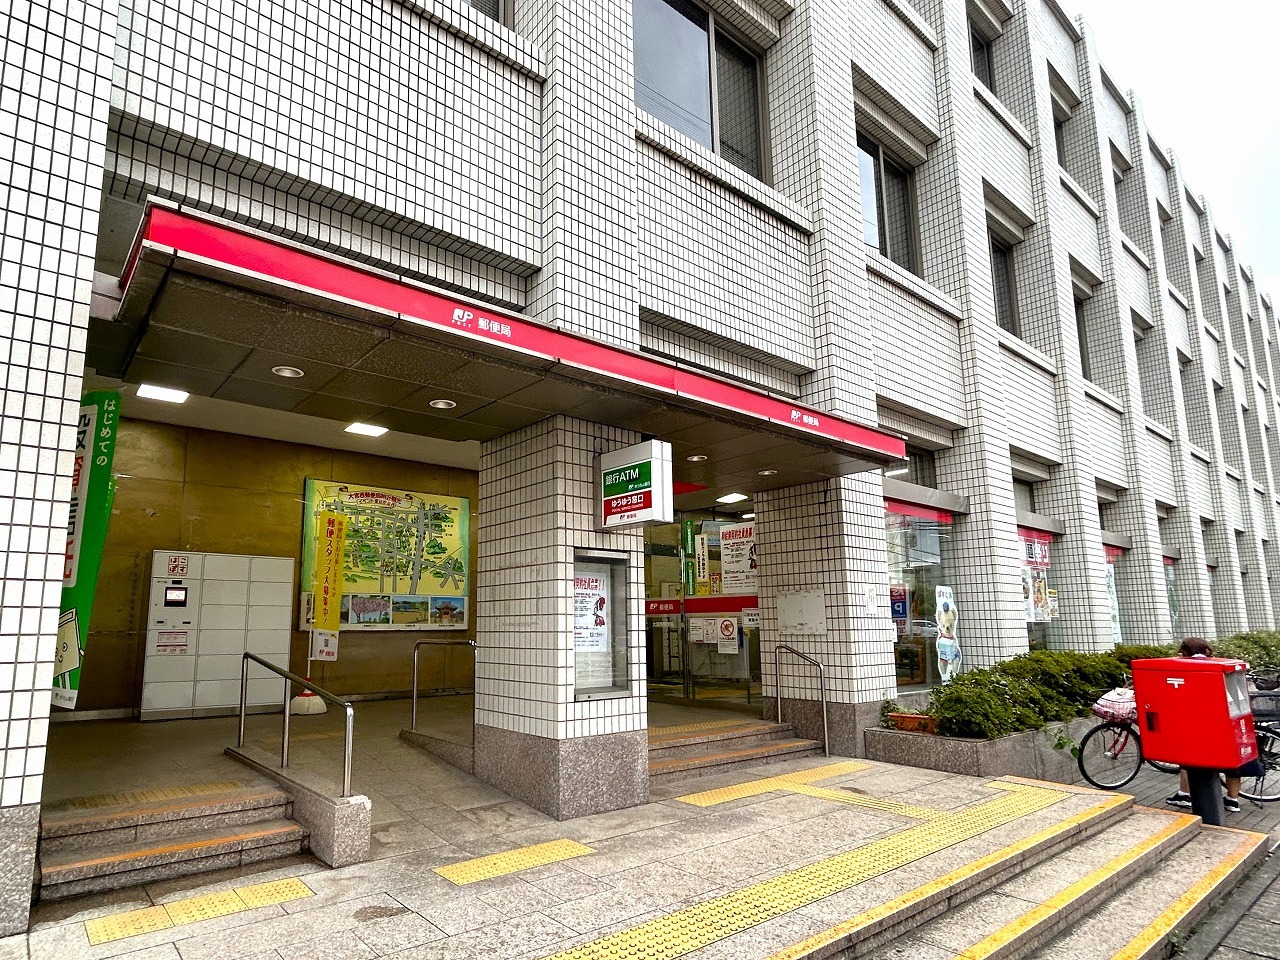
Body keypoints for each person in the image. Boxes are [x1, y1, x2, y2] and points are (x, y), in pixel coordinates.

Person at [1164, 637, 1248, 814]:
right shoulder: (1219, 663)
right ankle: (1232, 800)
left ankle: (1185, 795)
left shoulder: (1187, 666)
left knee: (1189, 758)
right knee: (1232, 763)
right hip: (1231, 716)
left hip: (1201, 722)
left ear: (1184, 652)